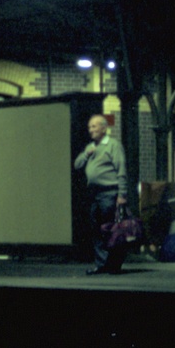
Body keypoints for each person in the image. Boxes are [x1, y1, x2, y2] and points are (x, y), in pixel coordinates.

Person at [73, 114, 128, 274]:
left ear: (104, 128)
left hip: (109, 193)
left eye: (94, 126)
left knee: (110, 229)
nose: (91, 130)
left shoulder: (113, 145)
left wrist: (122, 194)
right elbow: (77, 165)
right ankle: (102, 263)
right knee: (96, 229)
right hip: (94, 194)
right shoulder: (91, 147)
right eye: (89, 127)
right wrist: (86, 154)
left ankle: (114, 264)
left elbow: (121, 170)